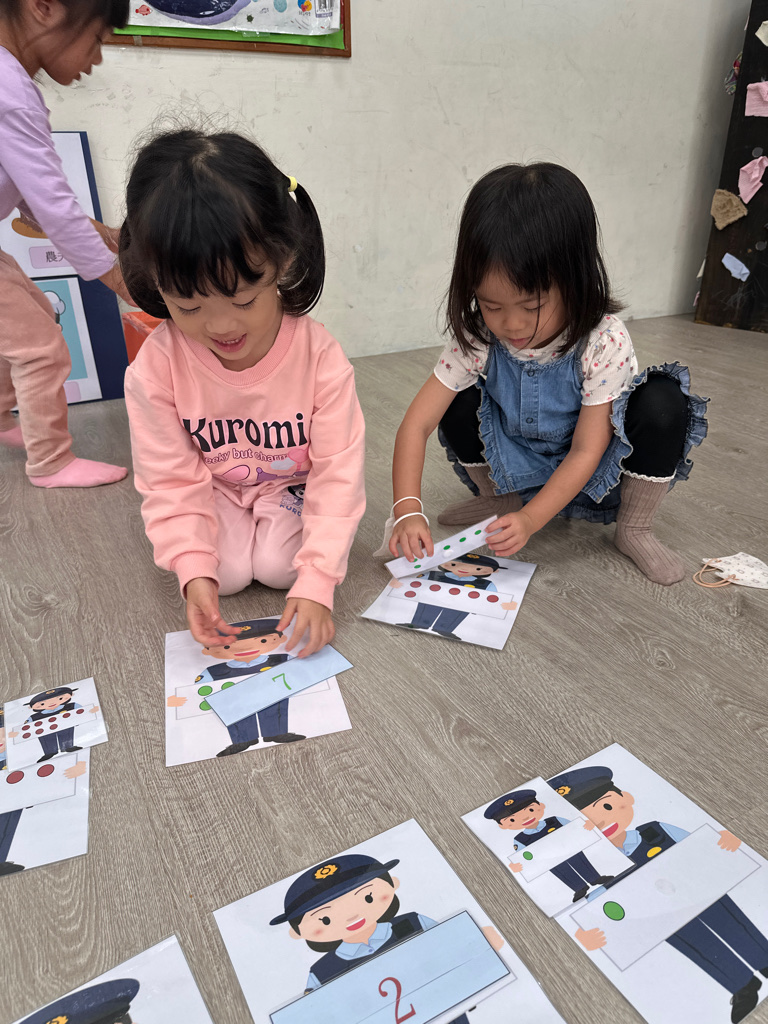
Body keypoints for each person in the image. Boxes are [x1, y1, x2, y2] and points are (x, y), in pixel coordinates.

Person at [388, 164, 708, 586]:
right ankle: (500, 503)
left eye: (532, 306)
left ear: (575, 280)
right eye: (491, 306)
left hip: (595, 477)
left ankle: (634, 528)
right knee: (457, 397)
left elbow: (587, 450)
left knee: (663, 402)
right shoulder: (478, 336)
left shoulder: (603, 339)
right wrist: (407, 509)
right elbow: (416, 424)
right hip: (518, 469)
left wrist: (532, 520)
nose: (511, 325)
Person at [121, 129, 365, 657]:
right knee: (222, 575)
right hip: (213, 488)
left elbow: (338, 474)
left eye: (244, 299)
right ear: (154, 282)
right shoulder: (155, 368)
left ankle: (277, 529)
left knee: (282, 569)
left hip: (291, 486)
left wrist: (318, 582)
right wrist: (192, 571)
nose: (221, 326)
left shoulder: (320, 356)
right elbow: (169, 479)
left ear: (282, 260)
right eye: (188, 306)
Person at [0, 0, 132, 487]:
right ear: (44, 7)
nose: (96, 61)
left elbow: (35, 203)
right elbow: (53, 207)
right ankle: (51, 462)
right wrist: (121, 281)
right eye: (97, 41)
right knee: (42, 349)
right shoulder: (11, 91)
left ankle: (1, 415)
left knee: (38, 314)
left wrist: (106, 235)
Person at [550, 765, 768, 1023]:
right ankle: (741, 985)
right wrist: (582, 933)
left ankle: (763, 959)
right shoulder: (601, 869)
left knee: (733, 924)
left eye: (606, 807)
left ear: (626, 798)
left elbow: (701, 844)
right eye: (588, 822)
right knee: (697, 947)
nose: (602, 822)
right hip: (659, 915)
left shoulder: (656, 831)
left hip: (698, 891)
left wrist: (724, 841)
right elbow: (591, 908)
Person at [269, 853, 503, 1022]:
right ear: (298, 932)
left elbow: (456, 951)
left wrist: (479, 943)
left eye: (368, 898)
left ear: (393, 886)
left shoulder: (413, 924)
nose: (352, 916)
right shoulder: (322, 972)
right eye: (326, 919)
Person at [166, 618, 305, 754]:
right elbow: (196, 690)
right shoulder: (214, 671)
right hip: (236, 702)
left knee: (275, 705)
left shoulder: (282, 659)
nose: (245, 649)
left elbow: (301, 671)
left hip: (271, 696)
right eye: (227, 646)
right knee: (234, 711)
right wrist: (178, 700)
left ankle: (276, 733)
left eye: (263, 641)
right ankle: (242, 740)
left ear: (280, 639)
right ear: (207, 650)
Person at [483, 788, 613, 903]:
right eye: (512, 819)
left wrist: (586, 825)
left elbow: (575, 827)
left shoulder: (555, 820)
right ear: (503, 826)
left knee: (580, 861)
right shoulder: (520, 839)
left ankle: (594, 878)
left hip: (569, 848)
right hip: (548, 860)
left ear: (541, 806)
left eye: (531, 810)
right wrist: (515, 866)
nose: (525, 818)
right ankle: (579, 887)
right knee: (561, 871)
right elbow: (523, 858)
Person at [389, 552, 516, 639]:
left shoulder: (486, 584)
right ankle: (419, 623)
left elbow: (493, 599)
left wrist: (505, 605)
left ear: (494, 571)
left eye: (478, 569)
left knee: (455, 614)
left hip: (462, 605)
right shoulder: (433, 575)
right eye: (454, 564)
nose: (464, 569)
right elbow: (414, 583)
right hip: (432, 599)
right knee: (427, 608)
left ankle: (444, 629)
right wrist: (400, 583)